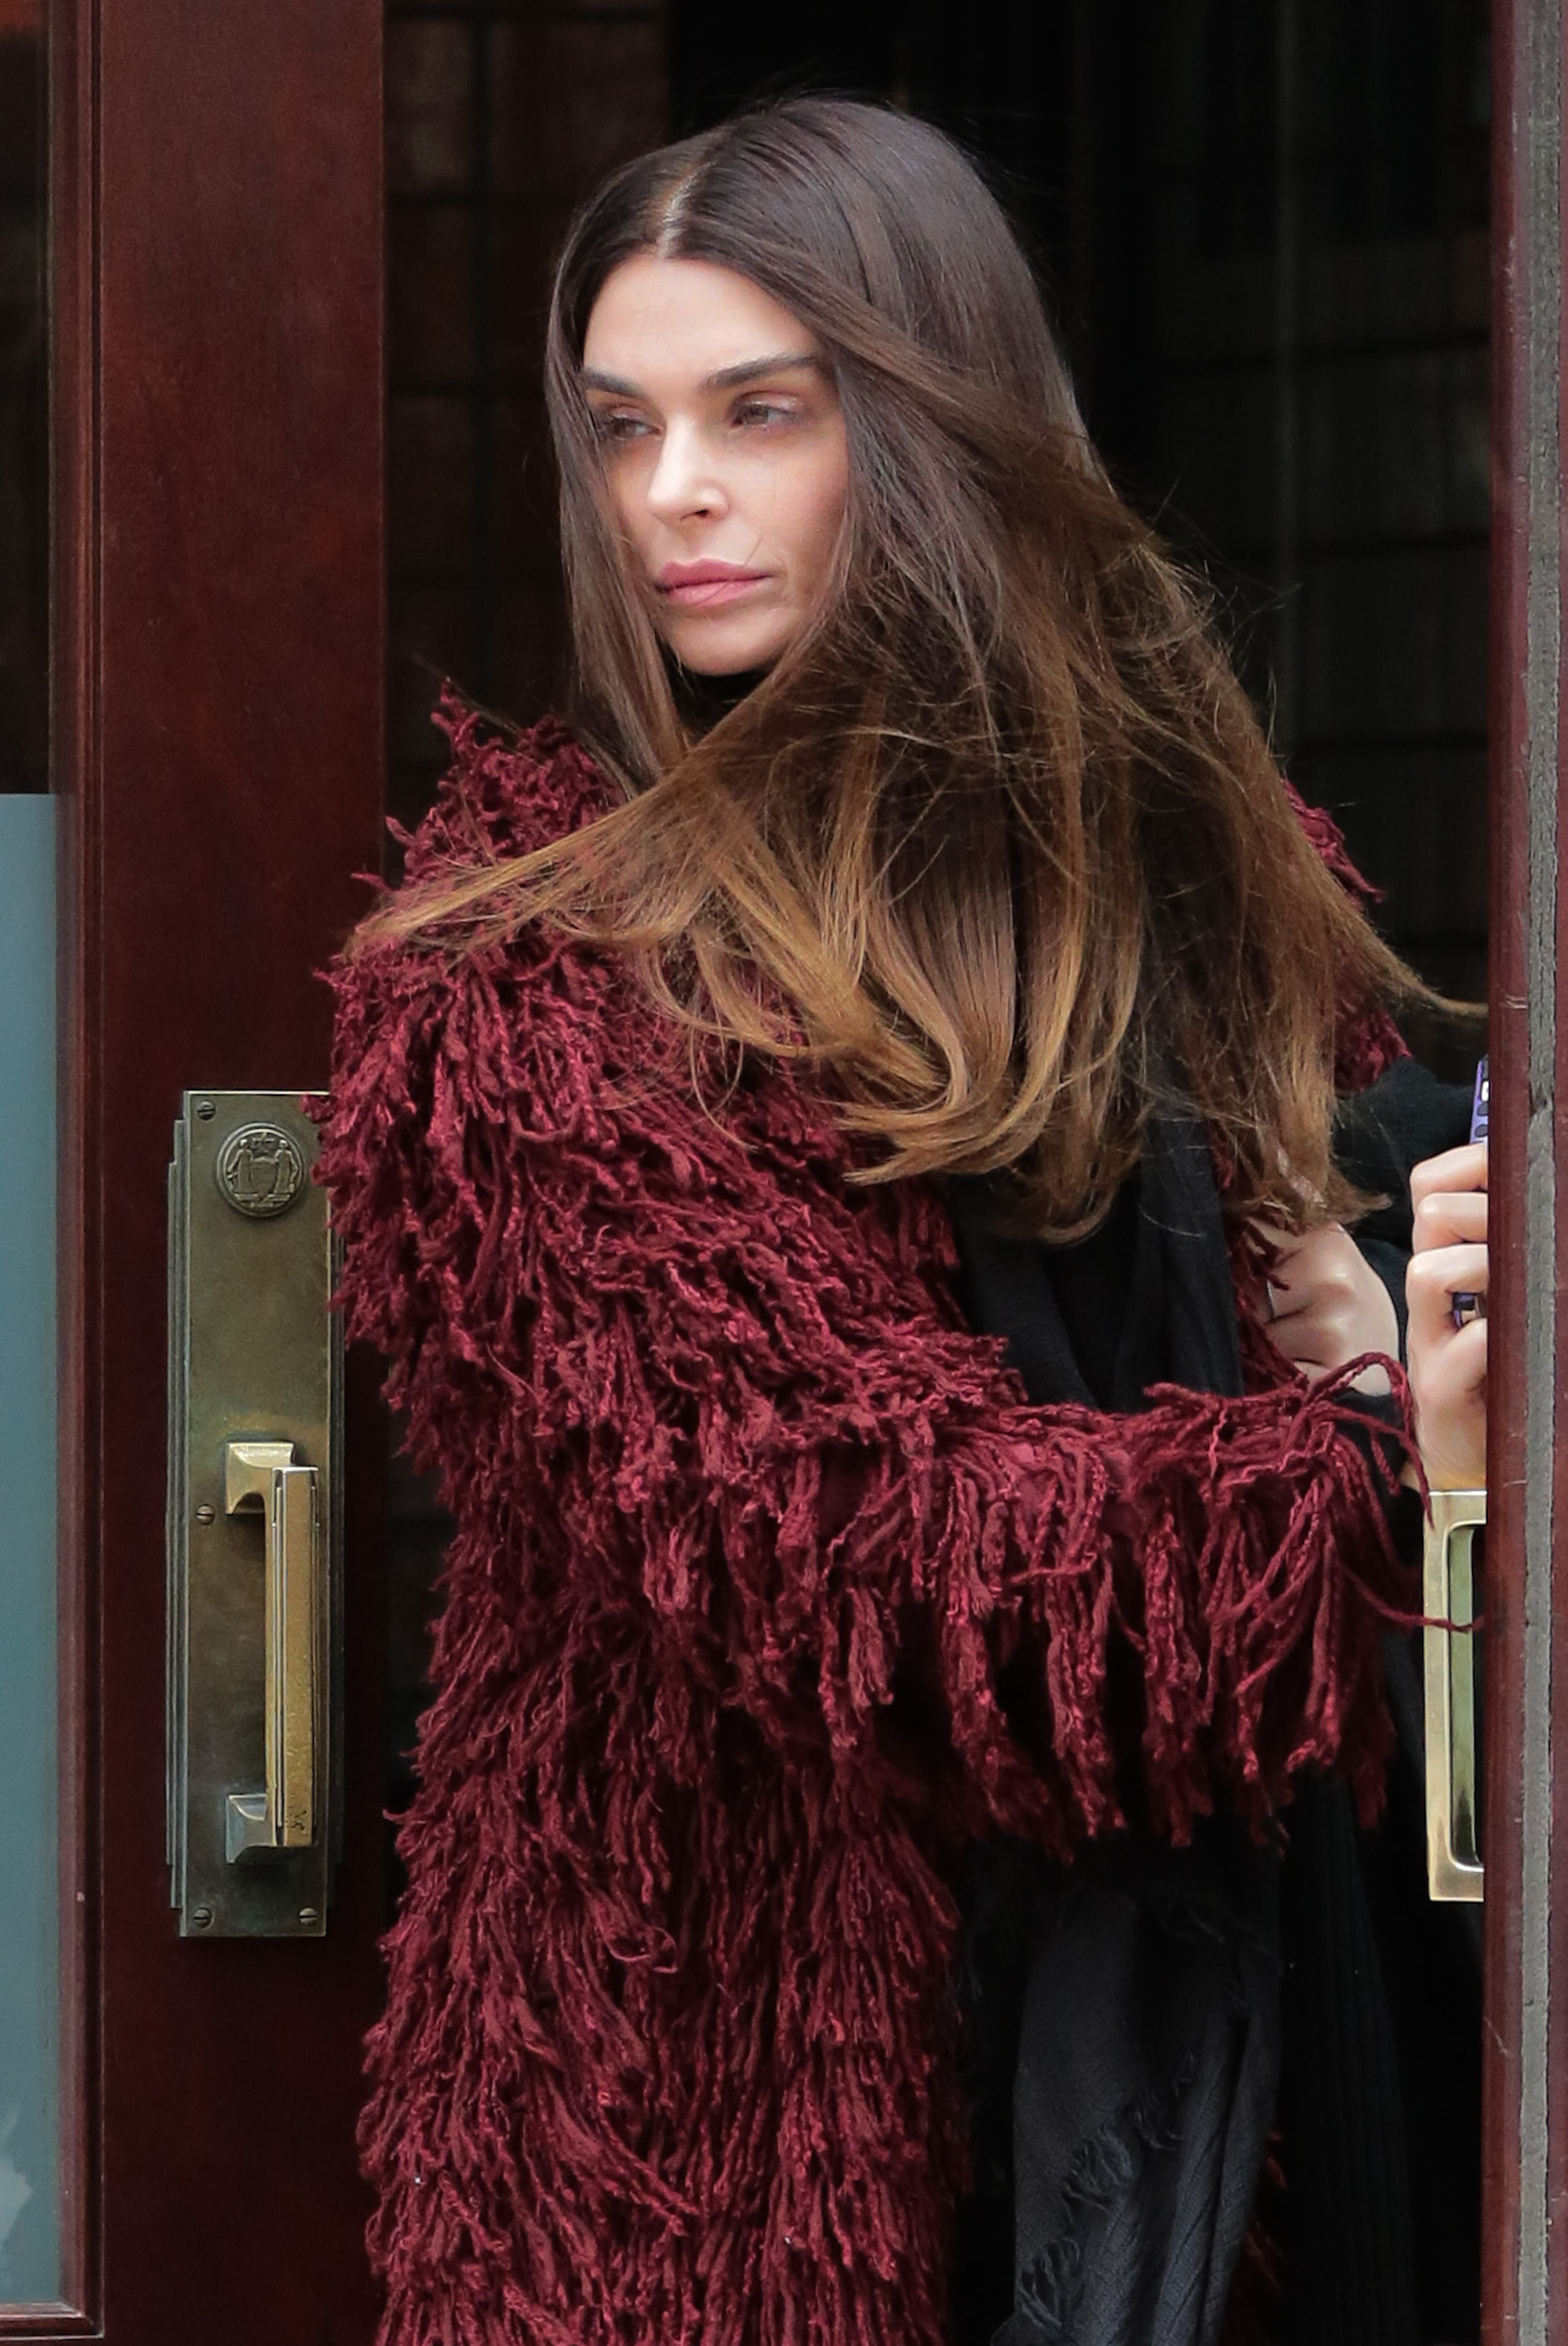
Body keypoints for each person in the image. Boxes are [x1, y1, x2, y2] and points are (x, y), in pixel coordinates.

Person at [319, 97, 1489, 2346]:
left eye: (764, 412)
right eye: (624, 424)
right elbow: (879, 1566)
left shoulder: (1201, 898)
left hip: (1214, 2082)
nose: (673, 495)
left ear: (936, 421)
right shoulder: (523, 998)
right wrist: (1369, 1462)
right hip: (720, 2169)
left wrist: (1405, 1383)